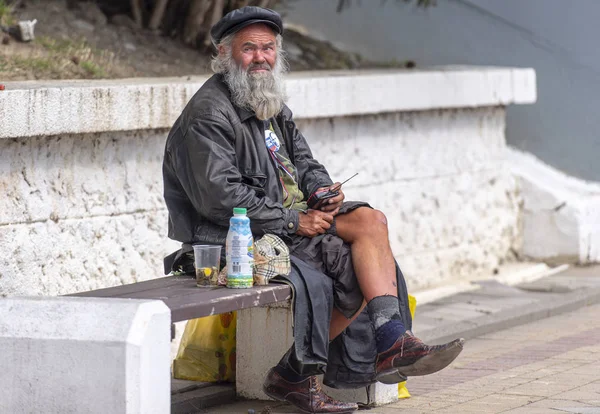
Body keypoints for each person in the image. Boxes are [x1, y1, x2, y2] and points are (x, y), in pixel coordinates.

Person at [162, 6, 464, 414]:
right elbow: (218, 198)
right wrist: (294, 219)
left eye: (267, 48)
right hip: (231, 236)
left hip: (286, 222)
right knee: (347, 265)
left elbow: (303, 161)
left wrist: (321, 188)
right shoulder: (208, 114)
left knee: (371, 223)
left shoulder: (269, 104)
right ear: (224, 53)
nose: (260, 57)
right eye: (248, 48)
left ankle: (392, 340)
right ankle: (296, 374)